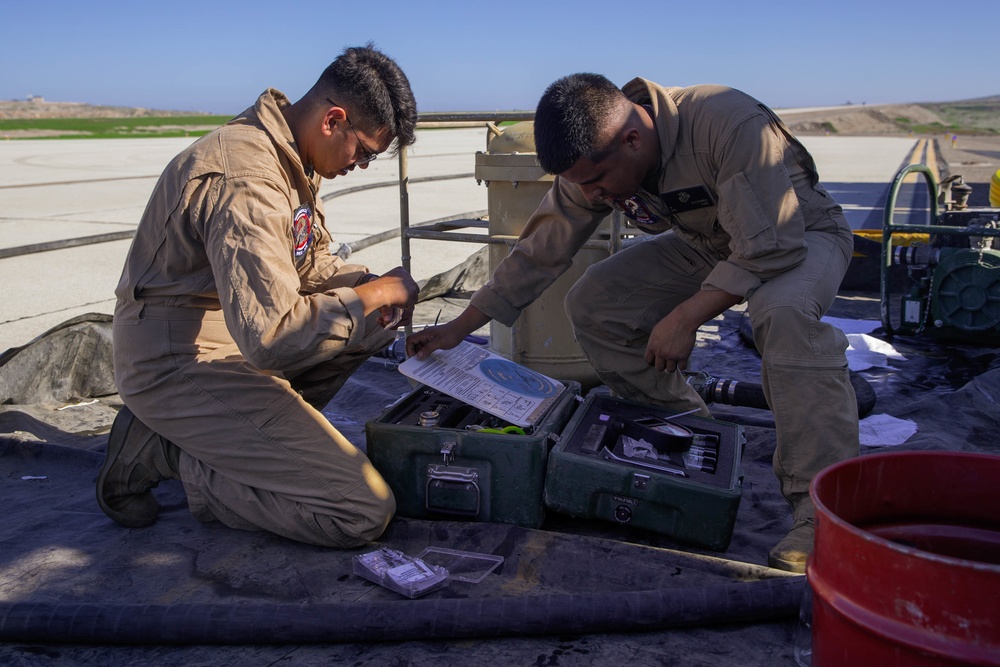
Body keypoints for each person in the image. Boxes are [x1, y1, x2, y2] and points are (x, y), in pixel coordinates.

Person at [406, 73, 859, 572]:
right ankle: (692, 435)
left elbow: (770, 243)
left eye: (598, 184)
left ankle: (822, 514)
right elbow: (540, 250)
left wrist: (686, 316)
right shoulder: (597, 157)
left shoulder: (726, 121)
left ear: (634, 139)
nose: (594, 196)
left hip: (800, 234)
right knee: (595, 302)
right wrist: (461, 326)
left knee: (784, 315)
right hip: (709, 244)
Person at [97, 44, 420, 548]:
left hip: (228, 337)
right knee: (359, 510)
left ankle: (240, 441)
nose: (360, 165)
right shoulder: (246, 177)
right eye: (365, 153)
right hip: (177, 358)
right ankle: (171, 454)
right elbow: (272, 337)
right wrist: (374, 292)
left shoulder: (291, 155)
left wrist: (367, 286)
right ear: (334, 119)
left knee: (372, 323)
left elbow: (306, 263)